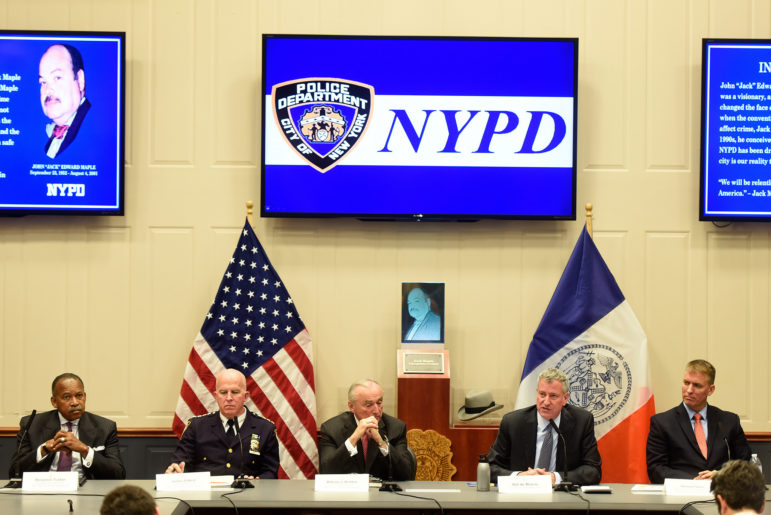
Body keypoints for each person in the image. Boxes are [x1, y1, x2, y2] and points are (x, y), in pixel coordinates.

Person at [487, 368, 601, 485]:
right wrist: (519, 476)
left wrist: (555, 478)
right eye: (542, 394)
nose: (546, 402)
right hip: (522, 494)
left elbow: (593, 471)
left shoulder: (582, 422)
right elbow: (488, 468)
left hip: (563, 498)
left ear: (565, 398)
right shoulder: (513, 423)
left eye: (553, 396)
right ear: (537, 393)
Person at [646, 359, 751, 483]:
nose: (689, 390)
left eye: (697, 385)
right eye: (686, 383)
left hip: (722, 493)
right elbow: (656, 469)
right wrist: (693, 481)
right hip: (680, 496)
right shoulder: (662, 422)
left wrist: (721, 475)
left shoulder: (729, 421)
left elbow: (745, 463)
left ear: (710, 390)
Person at [7, 372, 125, 480]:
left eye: (79, 395)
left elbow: (118, 474)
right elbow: (14, 472)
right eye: (67, 397)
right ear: (54, 402)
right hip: (44, 489)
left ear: (85, 396)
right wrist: (44, 449)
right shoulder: (32, 425)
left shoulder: (105, 427)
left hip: (85, 489)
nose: (75, 402)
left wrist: (85, 450)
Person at [166, 368, 279, 479]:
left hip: (247, 494)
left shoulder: (265, 429)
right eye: (223, 392)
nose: (229, 398)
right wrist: (175, 471)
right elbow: (180, 463)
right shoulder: (196, 427)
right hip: (206, 495)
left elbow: (271, 472)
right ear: (216, 396)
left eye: (235, 392)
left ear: (245, 396)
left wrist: (258, 482)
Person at [318, 379, 415, 480]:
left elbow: (406, 474)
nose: (377, 411)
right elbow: (326, 472)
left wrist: (381, 442)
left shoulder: (396, 428)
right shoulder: (331, 429)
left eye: (379, 403)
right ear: (351, 406)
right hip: (348, 494)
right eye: (369, 405)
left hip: (383, 494)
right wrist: (354, 438)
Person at [39, 43, 90, 158]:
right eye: (43, 82)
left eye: (57, 77)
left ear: (80, 80)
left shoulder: (91, 125)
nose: (48, 89)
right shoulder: (49, 132)